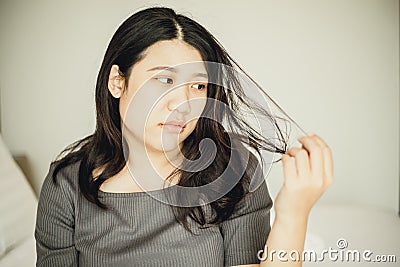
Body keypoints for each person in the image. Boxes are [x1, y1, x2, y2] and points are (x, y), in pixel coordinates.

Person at [34, 6, 334, 267]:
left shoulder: (234, 170)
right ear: (117, 82)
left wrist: (293, 212)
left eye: (198, 86)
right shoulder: (67, 185)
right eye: (164, 80)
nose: (183, 103)